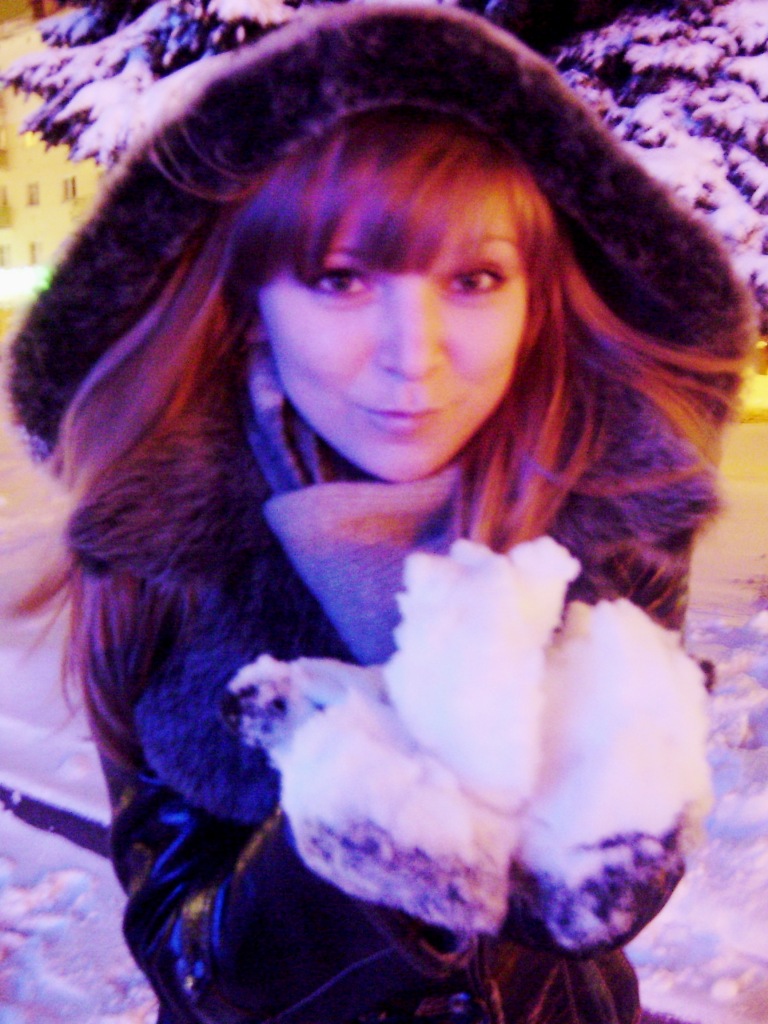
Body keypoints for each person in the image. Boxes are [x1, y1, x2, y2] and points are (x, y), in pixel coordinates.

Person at [7, 4, 756, 1023]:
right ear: (250, 304)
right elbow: (190, 960)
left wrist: (615, 802)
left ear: (536, 298)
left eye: (475, 279)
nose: (415, 356)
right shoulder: (167, 543)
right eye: (342, 278)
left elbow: (599, 911)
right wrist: (373, 825)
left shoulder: (606, 511)